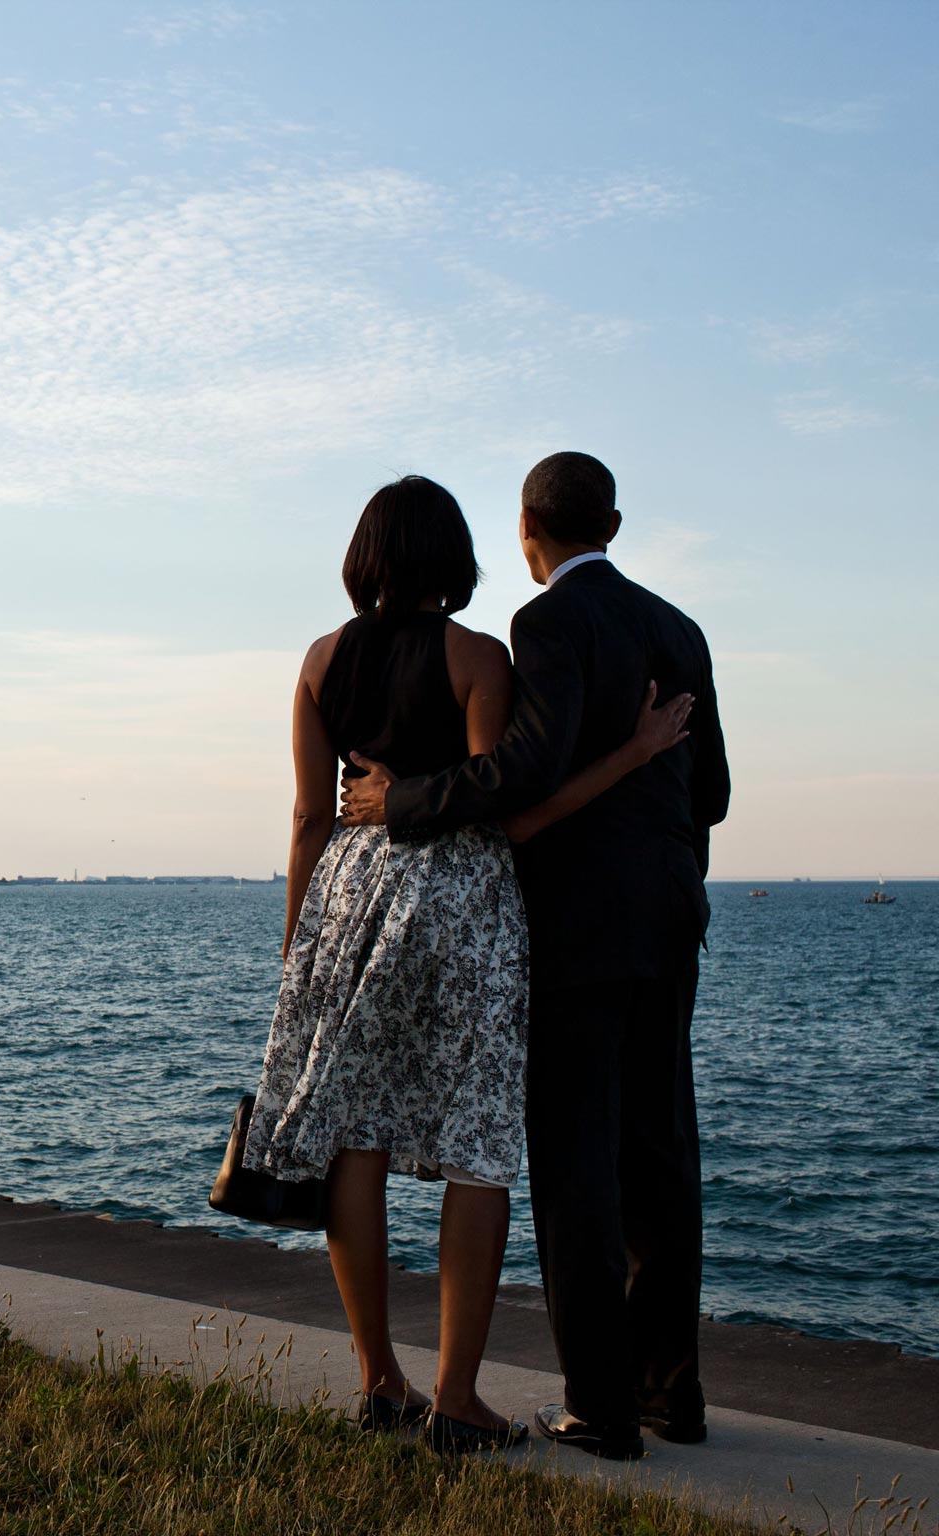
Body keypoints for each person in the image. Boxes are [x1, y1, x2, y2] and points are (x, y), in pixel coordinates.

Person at [251, 474, 692, 1456]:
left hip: (348, 898)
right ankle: (456, 1395)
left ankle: (377, 1382)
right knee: (477, 1145)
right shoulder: (476, 658)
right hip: (460, 903)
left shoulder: (318, 663)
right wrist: (628, 756)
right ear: (455, 558)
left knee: (352, 1136)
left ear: (363, 558)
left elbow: (307, 818)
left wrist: (298, 946)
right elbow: (509, 807)